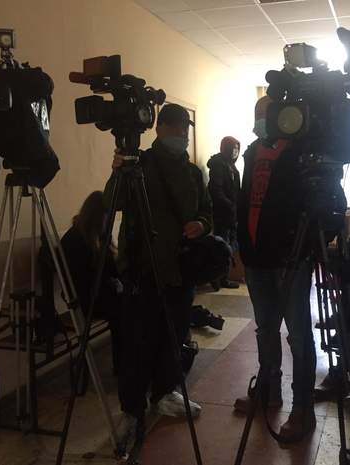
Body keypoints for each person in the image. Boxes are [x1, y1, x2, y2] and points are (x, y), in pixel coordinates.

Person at [107, 103, 212, 423]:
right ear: (159, 128)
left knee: (174, 334)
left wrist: (201, 225)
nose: (182, 133)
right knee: (138, 340)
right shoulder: (139, 164)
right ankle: (132, 406)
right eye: (176, 126)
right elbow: (112, 202)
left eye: (185, 127)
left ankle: (166, 391)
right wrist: (118, 172)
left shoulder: (193, 172)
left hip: (181, 267)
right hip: (143, 268)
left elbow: (207, 212)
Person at [234, 96, 316, 441]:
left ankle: (302, 408)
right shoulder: (252, 152)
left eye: (266, 113)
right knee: (265, 329)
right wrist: (242, 247)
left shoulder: (302, 152)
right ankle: (269, 391)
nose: (260, 119)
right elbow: (244, 200)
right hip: (256, 258)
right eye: (256, 113)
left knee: (298, 335)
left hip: (290, 259)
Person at [61, 191, 122, 374]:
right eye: (107, 216)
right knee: (128, 308)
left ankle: (127, 362)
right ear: (97, 216)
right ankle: (123, 364)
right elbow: (86, 281)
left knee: (134, 301)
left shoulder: (96, 235)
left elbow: (109, 270)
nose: (109, 222)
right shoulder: (76, 240)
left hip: (97, 294)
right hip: (85, 300)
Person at [207, 136, 241, 289]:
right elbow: (216, 190)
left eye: (237, 148)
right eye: (233, 148)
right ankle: (218, 279)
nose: (235, 151)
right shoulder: (218, 165)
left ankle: (222, 278)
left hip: (230, 213)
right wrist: (231, 206)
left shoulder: (230, 165)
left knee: (228, 246)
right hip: (222, 213)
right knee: (222, 247)